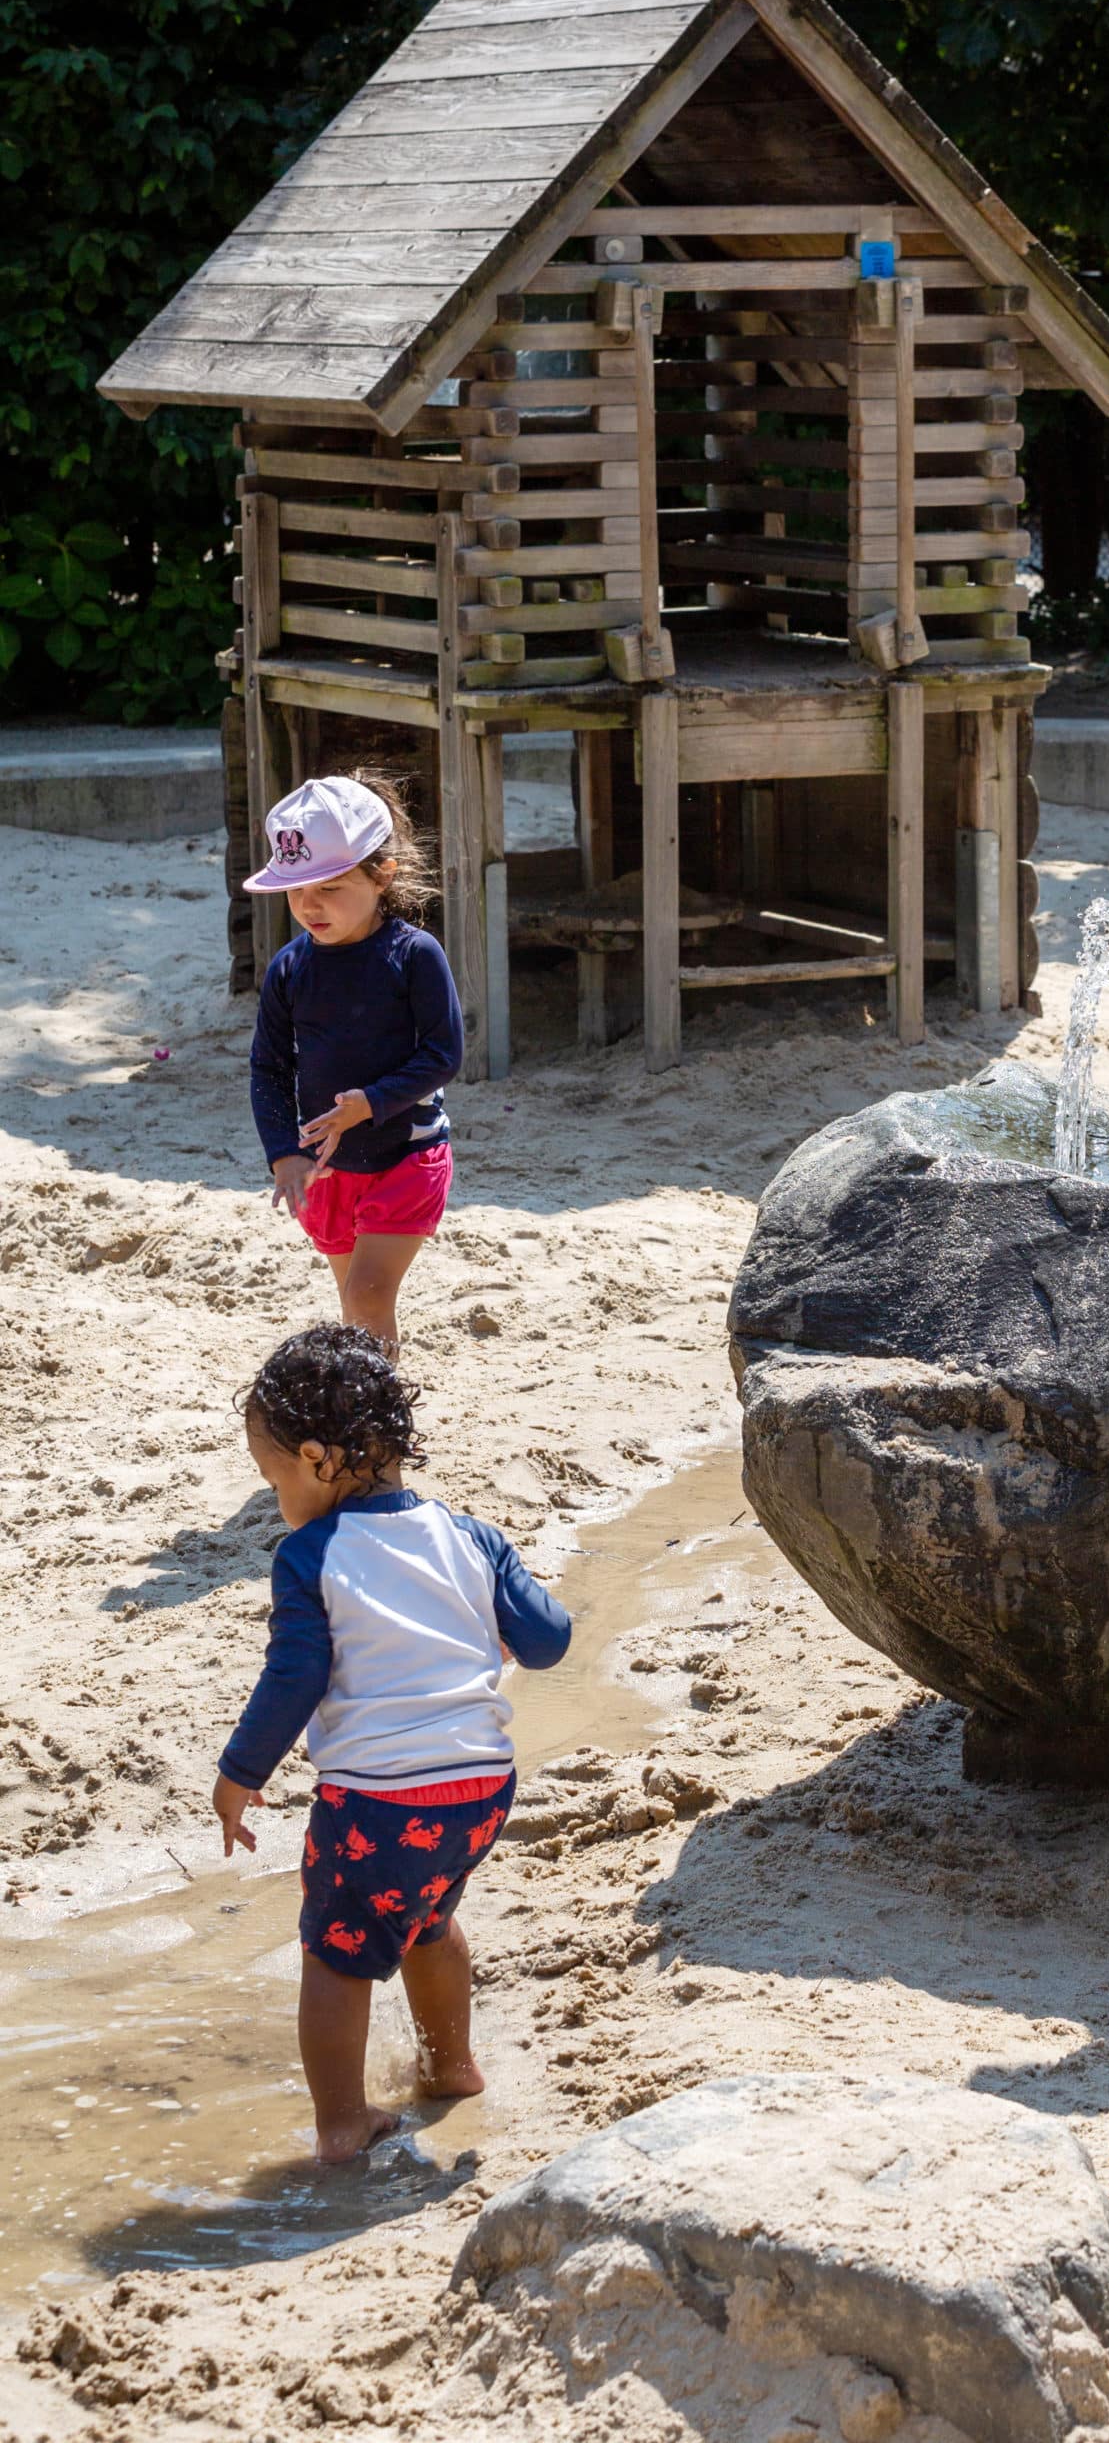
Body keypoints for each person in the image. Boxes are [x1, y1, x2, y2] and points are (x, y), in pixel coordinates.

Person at [211, 1324, 571, 2162]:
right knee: (430, 1919)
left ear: (315, 1458)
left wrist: (239, 1775)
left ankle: (342, 2124)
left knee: (335, 1954)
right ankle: (453, 2069)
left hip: (378, 1801)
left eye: (274, 1481)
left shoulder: (310, 1555)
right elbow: (548, 1639)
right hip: (481, 1792)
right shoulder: (470, 1535)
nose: (277, 1501)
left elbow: (294, 1677)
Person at [246, 770, 463, 1354]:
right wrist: (283, 1156)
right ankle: (371, 1409)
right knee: (355, 1311)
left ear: (381, 875)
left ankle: (375, 1428)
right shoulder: (288, 970)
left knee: (368, 1298)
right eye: (295, 891)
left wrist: (371, 1102)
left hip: (406, 1156)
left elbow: (444, 1055)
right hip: (328, 1172)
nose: (309, 906)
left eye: (330, 888)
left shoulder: (415, 954)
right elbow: (269, 1069)